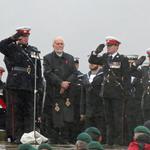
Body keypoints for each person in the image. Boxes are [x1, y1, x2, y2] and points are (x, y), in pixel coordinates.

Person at [0, 26, 42, 143]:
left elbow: (38, 69)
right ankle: (15, 136)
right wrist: (12, 39)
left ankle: (28, 135)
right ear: (18, 37)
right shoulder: (12, 48)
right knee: (15, 112)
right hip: (15, 85)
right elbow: (1, 46)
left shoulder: (33, 50)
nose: (25, 38)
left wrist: (39, 85)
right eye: (22, 36)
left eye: (26, 36)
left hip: (29, 85)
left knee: (29, 112)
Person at [42, 36, 77, 144]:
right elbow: (47, 73)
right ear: (53, 45)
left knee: (66, 116)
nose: (59, 45)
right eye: (57, 43)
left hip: (66, 93)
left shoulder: (70, 58)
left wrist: (66, 84)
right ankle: (53, 138)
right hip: (53, 92)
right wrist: (60, 83)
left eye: (61, 43)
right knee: (52, 116)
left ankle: (64, 138)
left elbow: (74, 73)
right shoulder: (47, 58)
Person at [102, 36, 130, 145]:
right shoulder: (105, 57)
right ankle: (109, 142)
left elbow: (126, 77)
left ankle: (118, 141)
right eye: (107, 46)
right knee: (108, 119)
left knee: (117, 118)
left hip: (117, 92)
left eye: (110, 46)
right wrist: (96, 52)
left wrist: (126, 92)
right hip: (106, 92)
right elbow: (92, 60)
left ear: (116, 47)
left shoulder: (122, 59)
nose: (108, 48)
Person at [80, 51, 106, 143]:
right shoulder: (85, 77)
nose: (91, 64)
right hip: (88, 111)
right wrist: (82, 112)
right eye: (90, 62)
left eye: (94, 62)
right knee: (88, 133)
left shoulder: (103, 76)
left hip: (100, 110)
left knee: (99, 133)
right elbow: (83, 96)